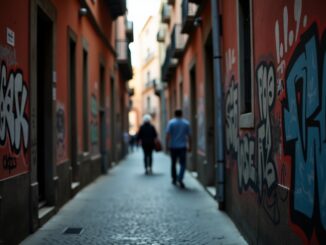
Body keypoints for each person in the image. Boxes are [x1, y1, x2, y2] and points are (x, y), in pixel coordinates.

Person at [165, 109, 191, 188]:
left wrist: (167, 145)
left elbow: (168, 135)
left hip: (173, 147)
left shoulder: (171, 123)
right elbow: (189, 136)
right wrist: (190, 146)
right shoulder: (186, 123)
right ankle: (180, 178)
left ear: (175, 114)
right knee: (183, 164)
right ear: (181, 114)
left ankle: (174, 178)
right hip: (182, 146)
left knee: (173, 163)